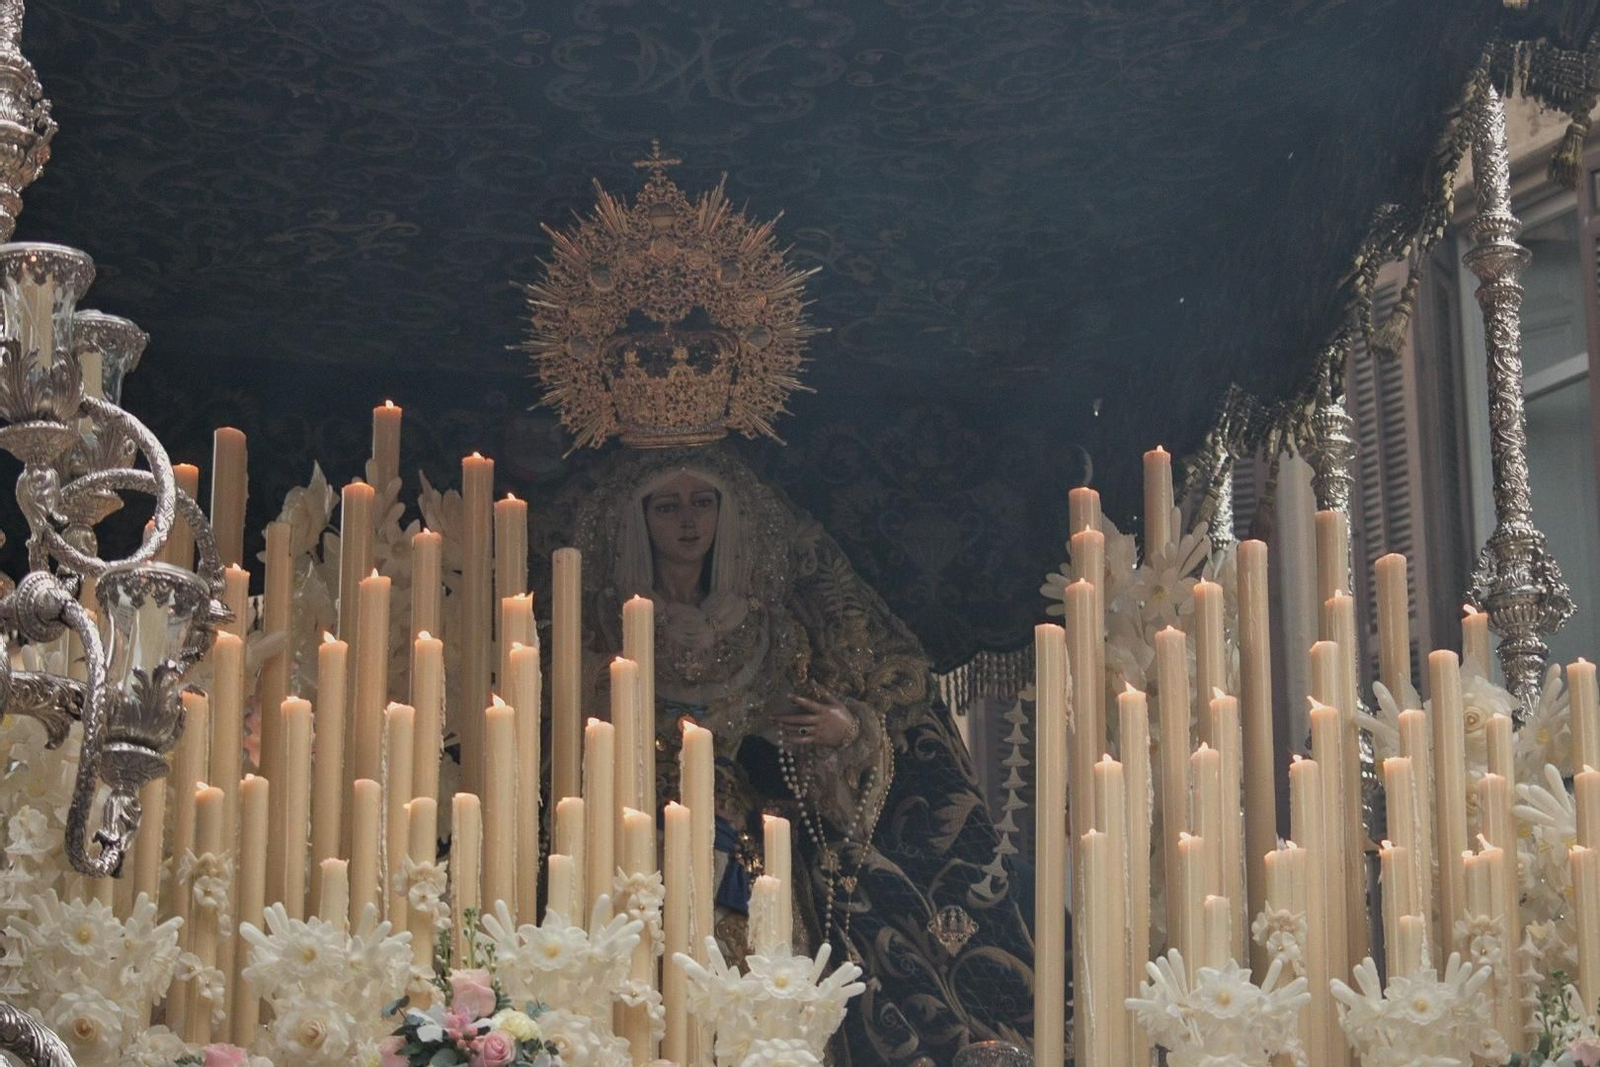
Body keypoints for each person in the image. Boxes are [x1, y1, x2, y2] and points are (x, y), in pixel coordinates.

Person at [569, 444, 1033, 1066]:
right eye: (668, 506)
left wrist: (847, 732)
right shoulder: (596, 627)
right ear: (637, 519)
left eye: (703, 503)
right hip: (634, 844)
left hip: (763, 857)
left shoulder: (773, 628)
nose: (688, 522)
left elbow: (876, 706)